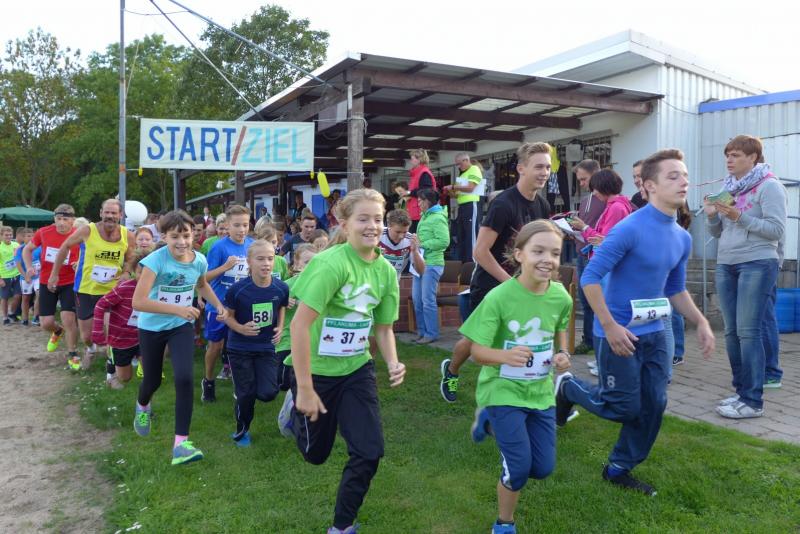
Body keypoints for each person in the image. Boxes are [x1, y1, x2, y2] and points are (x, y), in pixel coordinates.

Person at [555, 148, 715, 495]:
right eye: (673, 176)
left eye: (685, 176)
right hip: (618, 332)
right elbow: (590, 278)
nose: (683, 181)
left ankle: (618, 468)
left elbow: (675, 289)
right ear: (649, 186)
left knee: (655, 403)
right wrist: (610, 326)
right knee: (621, 406)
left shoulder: (682, 237)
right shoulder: (629, 228)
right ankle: (568, 388)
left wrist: (701, 321)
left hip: (655, 332)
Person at [286, 188, 406, 534]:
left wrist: (392, 361)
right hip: (316, 372)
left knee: (369, 451)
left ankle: (342, 526)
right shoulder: (330, 264)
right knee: (316, 454)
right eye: (363, 219)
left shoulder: (385, 271)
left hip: (356, 369)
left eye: (378, 219)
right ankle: (293, 407)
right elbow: (299, 326)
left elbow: (383, 328)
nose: (372, 226)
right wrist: (305, 388)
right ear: (345, 223)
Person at [462, 220, 572, 534]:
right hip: (502, 390)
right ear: (519, 254)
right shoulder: (498, 298)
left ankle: (487, 422)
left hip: (539, 393)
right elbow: (476, 351)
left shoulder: (560, 297)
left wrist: (563, 353)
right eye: (538, 251)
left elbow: (562, 326)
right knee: (519, 468)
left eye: (554, 253)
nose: (547, 259)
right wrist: (505, 357)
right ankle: (504, 524)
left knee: (543, 468)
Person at [439, 142, 552, 403]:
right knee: (475, 342)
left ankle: (511, 396)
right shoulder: (503, 204)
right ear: (521, 168)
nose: (544, 172)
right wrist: (511, 283)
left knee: (516, 338)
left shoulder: (543, 205)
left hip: (523, 286)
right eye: (538, 167)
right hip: (491, 285)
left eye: (547, 167)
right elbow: (480, 252)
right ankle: (451, 370)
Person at [131, 210, 228, 465]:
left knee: (185, 378)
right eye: (175, 236)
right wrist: (177, 309)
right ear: (164, 236)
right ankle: (142, 406)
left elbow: (201, 284)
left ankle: (181, 444)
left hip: (180, 326)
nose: (182, 242)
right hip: (152, 327)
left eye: (186, 235)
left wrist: (218, 305)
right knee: (152, 380)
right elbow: (138, 301)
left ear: (193, 235)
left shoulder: (199, 260)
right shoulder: (155, 261)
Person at [705, 134, 786, 418]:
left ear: (752, 158)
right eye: (728, 155)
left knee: (749, 332)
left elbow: (776, 230)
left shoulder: (770, 186)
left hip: (757, 262)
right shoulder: (728, 188)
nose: (729, 160)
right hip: (727, 262)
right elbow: (718, 232)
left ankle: (753, 401)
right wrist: (712, 215)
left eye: (736, 155)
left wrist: (739, 216)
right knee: (731, 331)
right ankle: (741, 392)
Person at [50, 199, 136, 371]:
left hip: (112, 291)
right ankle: (90, 348)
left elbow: (130, 259)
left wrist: (126, 273)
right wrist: (54, 274)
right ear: (101, 213)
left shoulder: (127, 235)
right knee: (87, 336)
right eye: (107, 212)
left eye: (114, 213)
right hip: (86, 289)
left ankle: (113, 365)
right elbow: (65, 247)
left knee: (110, 329)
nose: (110, 216)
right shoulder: (88, 230)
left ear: (120, 215)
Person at [223, 240, 289, 446]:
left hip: (266, 347)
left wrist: (280, 326)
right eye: (260, 259)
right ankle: (242, 430)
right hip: (240, 348)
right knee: (246, 393)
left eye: (270, 258)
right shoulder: (237, 290)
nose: (266, 263)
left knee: (268, 393)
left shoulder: (281, 287)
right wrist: (241, 328)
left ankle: (246, 393)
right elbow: (227, 317)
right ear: (249, 261)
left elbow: (281, 306)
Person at [202, 204, 254, 402]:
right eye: (237, 225)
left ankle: (239, 386)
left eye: (245, 225)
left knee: (240, 347)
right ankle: (208, 381)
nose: (242, 229)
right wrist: (225, 266)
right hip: (219, 305)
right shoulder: (218, 247)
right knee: (215, 346)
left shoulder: (252, 245)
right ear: (228, 226)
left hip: (242, 306)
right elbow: (204, 278)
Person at [24, 205, 80, 359]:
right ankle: (57, 331)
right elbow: (27, 249)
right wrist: (29, 267)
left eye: (65, 219)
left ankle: (73, 354)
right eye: (58, 219)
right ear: (54, 219)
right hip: (46, 281)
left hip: (69, 282)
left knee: (68, 319)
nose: (61, 223)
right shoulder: (44, 232)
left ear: (73, 220)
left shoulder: (79, 234)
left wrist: (79, 264)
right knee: (46, 323)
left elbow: (88, 253)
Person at [91, 248, 150, 389]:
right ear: (134, 271)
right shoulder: (124, 289)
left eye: (148, 273)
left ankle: (146, 395)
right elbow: (100, 305)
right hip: (121, 338)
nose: (144, 277)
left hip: (143, 336)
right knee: (125, 377)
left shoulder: (155, 289)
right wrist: (98, 331)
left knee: (150, 369)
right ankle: (111, 365)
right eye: (141, 272)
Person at [275, 243, 317, 437]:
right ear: (297, 265)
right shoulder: (288, 286)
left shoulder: (322, 285)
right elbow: (272, 308)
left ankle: (295, 413)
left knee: (305, 378)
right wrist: (283, 303)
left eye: (314, 262)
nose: (310, 266)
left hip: (311, 340)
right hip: (287, 340)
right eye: (306, 262)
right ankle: (291, 400)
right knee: (283, 380)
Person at [570, 160, 605, 356]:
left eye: (584, 179)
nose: (582, 184)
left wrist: (584, 228)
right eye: (579, 180)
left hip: (596, 256)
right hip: (581, 253)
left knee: (596, 299)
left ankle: (598, 340)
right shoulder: (585, 201)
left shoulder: (608, 199)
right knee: (585, 300)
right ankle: (589, 340)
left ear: (596, 174)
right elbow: (584, 228)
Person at [412, 188, 450, 344]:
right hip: (420, 263)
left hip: (432, 264)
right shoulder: (425, 216)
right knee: (417, 300)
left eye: (420, 201)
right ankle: (422, 332)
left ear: (427, 201)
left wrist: (422, 245)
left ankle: (431, 334)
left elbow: (444, 241)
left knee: (427, 301)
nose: (418, 203)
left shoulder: (437, 218)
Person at [444, 152, 485, 262]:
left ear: (466, 160)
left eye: (460, 164)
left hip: (471, 204)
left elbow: (471, 188)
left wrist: (453, 186)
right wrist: (450, 192)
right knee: (461, 234)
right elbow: (457, 195)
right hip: (462, 206)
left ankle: (473, 260)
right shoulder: (462, 175)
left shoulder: (474, 169)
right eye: (457, 164)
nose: (459, 166)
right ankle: (463, 260)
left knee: (471, 234)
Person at [378, 209, 424, 280]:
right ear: (389, 226)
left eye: (405, 232)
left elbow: (421, 271)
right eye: (398, 232)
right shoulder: (377, 234)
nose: (401, 236)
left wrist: (415, 251)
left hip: (393, 283)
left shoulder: (410, 240)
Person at [407, 149, 437, 233]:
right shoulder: (418, 173)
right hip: (416, 211)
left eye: (412, 159)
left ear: (419, 159)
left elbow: (425, 191)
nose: (410, 161)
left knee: (418, 237)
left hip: (420, 212)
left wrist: (408, 193)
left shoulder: (424, 173)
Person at [15, 228, 40, 326]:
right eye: (28, 236)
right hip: (26, 277)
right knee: (26, 298)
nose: (31, 238)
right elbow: (18, 264)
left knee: (39, 294)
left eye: (32, 236)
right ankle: (25, 318)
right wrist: (25, 276)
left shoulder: (39, 247)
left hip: (38, 276)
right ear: (23, 238)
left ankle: (36, 317)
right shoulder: (20, 249)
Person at [0, 226, 21, 324]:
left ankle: (11, 312)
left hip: (17, 274)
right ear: (1, 236)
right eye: (6, 235)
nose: (9, 237)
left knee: (18, 296)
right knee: (5, 298)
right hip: (5, 276)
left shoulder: (16, 245)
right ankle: (5, 317)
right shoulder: (0, 247)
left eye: (10, 235)